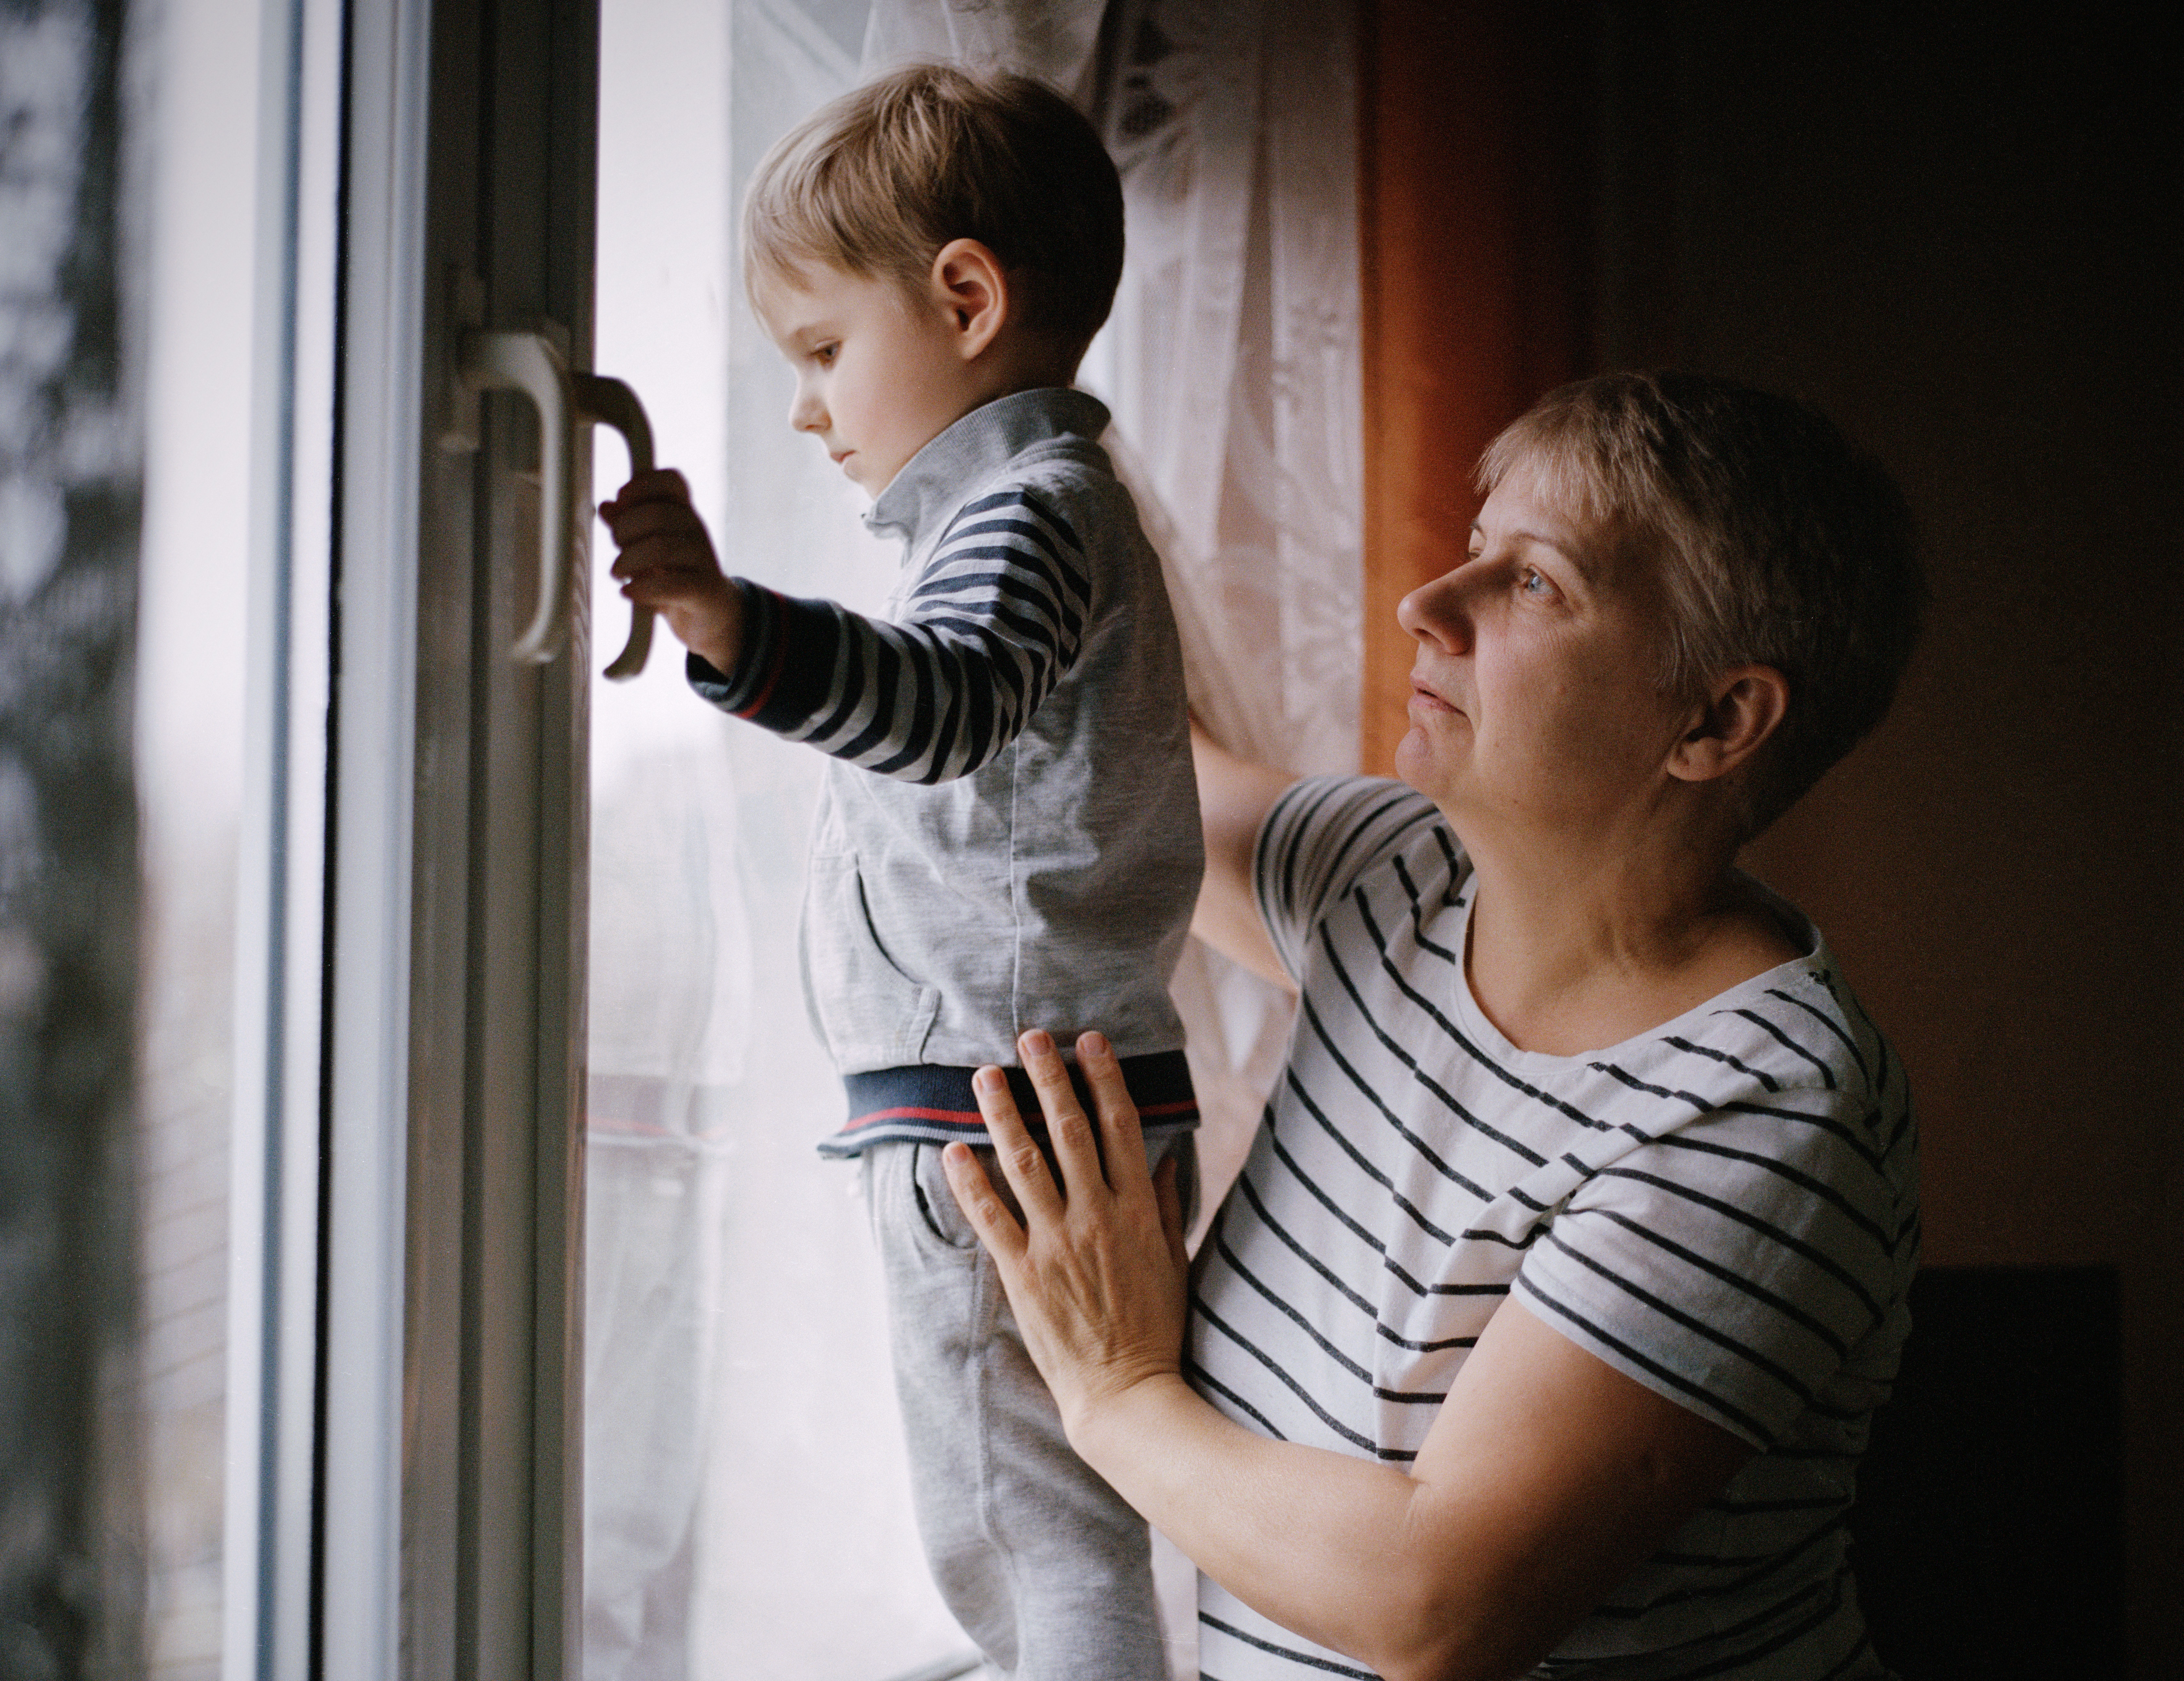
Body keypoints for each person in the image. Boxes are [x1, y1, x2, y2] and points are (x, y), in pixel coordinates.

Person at [943, 372, 1925, 1680]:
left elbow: (1435, 1609)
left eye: (1534, 583)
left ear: (1715, 720)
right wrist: (1009, 458)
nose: (1426, 606)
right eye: (1478, 552)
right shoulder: (1392, 877)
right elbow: (1131, 756)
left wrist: (1114, 1395)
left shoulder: (1768, 1118)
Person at [599, 63, 1201, 1681]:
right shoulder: (1049, 512)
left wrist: (732, 625)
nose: (806, 406)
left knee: (1025, 1536)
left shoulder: (1029, 510)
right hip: (1046, 1101)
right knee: (1041, 1524)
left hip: (1002, 1117)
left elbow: (940, 709)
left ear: (964, 298)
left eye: (820, 351)